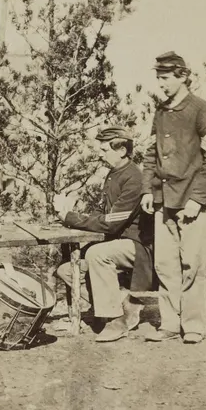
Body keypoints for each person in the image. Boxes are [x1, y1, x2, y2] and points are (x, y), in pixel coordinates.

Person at [139, 51, 206, 345]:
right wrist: (148, 190)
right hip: (163, 202)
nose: (161, 84)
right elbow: (151, 154)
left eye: (165, 78)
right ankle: (169, 323)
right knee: (164, 265)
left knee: (191, 264)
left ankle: (192, 325)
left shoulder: (202, 110)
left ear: (182, 76)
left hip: (191, 203)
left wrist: (198, 199)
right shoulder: (161, 112)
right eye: (158, 78)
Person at [53, 126, 154, 342]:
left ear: (121, 150)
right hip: (117, 241)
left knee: (96, 254)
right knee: (66, 269)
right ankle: (125, 303)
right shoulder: (114, 174)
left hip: (136, 245)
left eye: (104, 148)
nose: (99, 153)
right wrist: (70, 217)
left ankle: (116, 320)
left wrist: (70, 218)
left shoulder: (134, 178)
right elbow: (102, 211)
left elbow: (111, 223)